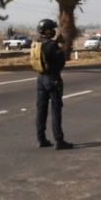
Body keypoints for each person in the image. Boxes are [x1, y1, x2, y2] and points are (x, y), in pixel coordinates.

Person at [34, 18, 72, 150]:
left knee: (41, 110)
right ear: (47, 31)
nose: (54, 31)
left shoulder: (37, 44)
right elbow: (61, 62)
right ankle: (59, 140)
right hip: (52, 79)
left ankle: (41, 139)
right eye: (52, 29)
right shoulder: (52, 45)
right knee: (56, 110)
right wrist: (61, 48)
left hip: (41, 79)